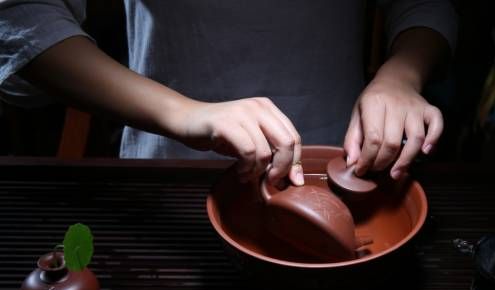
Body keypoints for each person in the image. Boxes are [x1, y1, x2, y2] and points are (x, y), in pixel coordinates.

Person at [0, 0, 457, 185]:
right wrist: (184, 114)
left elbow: (421, 2)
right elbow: (22, 18)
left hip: (348, 159)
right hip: (169, 168)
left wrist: (402, 74)